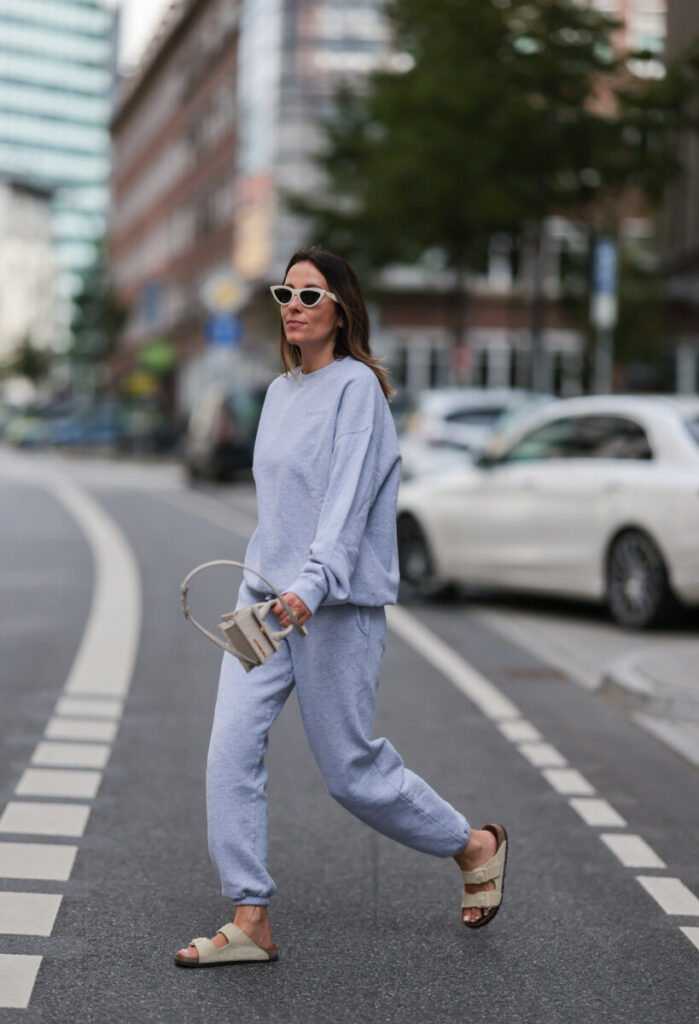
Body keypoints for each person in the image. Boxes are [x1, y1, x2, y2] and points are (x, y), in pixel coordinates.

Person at [175, 249, 508, 967]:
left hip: (332, 608)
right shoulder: (276, 393)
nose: (293, 304)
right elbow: (281, 513)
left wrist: (311, 587)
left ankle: (472, 844)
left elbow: (345, 506)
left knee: (349, 772)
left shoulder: (357, 390)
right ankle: (250, 916)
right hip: (265, 605)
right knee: (228, 749)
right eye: (284, 292)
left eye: (309, 293)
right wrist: (267, 590)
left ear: (340, 308)